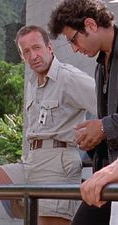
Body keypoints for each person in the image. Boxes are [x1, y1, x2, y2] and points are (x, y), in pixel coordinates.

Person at [0, 25, 96, 225]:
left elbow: (108, 107)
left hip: (58, 165)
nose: (33, 56)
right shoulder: (32, 82)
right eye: (26, 52)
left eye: (37, 48)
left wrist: (100, 130)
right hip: (29, 163)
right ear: (22, 57)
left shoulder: (69, 77)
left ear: (50, 47)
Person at [48, 0, 118, 224]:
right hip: (105, 173)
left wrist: (103, 127)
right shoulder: (100, 65)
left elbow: (108, 124)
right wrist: (93, 138)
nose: (74, 49)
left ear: (90, 24)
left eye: (73, 40)